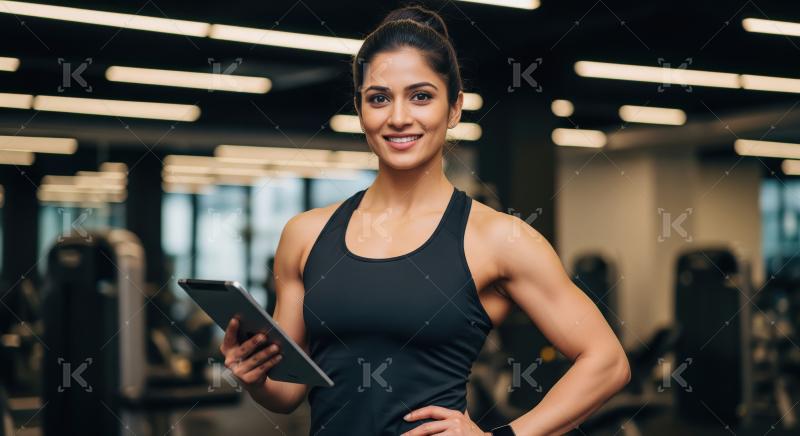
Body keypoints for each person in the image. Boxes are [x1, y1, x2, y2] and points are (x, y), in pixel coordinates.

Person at [219, 5, 630, 435]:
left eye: (421, 96)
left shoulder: (498, 238)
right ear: (360, 110)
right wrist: (255, 378)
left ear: (454, 108)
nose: (398, 117)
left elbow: (607, 362)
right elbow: (286, 395)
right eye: (379, 98)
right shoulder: (305, 235)